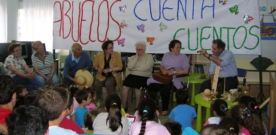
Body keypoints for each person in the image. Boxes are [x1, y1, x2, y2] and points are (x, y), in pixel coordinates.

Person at [147, 39, 190, 115]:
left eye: (179, 47)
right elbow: (161, 66)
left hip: (176, 78)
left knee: (165, 88)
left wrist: (174, 72)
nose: (179, 49)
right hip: (164, 77)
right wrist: (163, 70)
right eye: (177, 47)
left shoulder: (183, 57)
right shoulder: (166, 55)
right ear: (171, 48)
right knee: (151, 86)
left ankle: (165, 108)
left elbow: (186, 71)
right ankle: (155, 106)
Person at [122, 41, 154, 111]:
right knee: (125, 87)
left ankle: (137, 107)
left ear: (144, 49)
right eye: (137, 49)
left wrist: (135, 69)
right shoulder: (133, 57)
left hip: (144, 76)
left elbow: (147, 67)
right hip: (132, 75)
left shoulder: (149, 57)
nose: (138, 51)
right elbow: (129, 67)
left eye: (140, 49)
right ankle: (124, 106)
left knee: (138, 87)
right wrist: (136, 58)